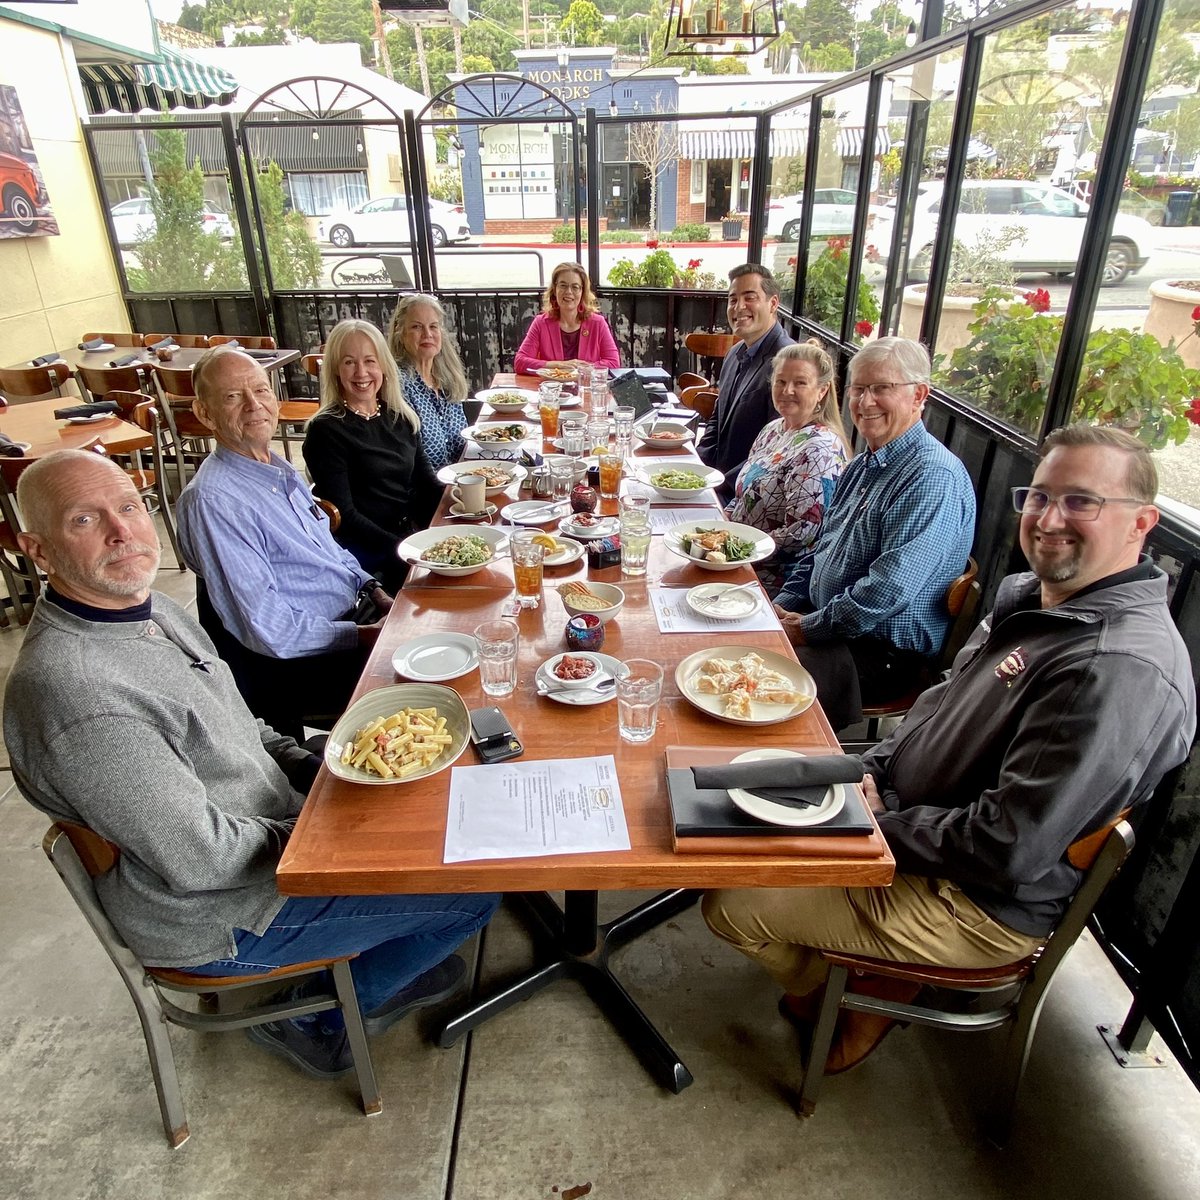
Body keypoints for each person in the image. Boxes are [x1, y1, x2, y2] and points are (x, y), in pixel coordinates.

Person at [705, 424, 1195, 1074]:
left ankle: (853, 990)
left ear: (1142, 523)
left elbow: (1007, 847)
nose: (1049, 518)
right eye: (1039, 496)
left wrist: (872, 823)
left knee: (732, 902)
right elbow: (933, 712)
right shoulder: (1039, 603)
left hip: (975, 902)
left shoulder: (1116, 668)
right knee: (713, 797)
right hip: (911, 816)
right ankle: (849, 957)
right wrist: (870, 771)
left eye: (1081, 501)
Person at [4, 450, 500, 1079]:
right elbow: (201, 858)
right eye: (84, 520)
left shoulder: (150, 611)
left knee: (444, 809)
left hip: (269, 840)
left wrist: (323, 767)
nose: (121, 531)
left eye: (129, 507)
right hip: (226, 913)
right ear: (37, 550)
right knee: (473, 886)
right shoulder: (79, 693)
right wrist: (334, 835)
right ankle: (309, 1020)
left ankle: (355, 952)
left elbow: (246, 730)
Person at [177, 346, 391, 736]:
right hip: (305, 659)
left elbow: (326, 549)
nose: (253, 405)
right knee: (437, 678)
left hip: (352, 617)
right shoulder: (213, 500)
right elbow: (268, 628)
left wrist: (374, 589)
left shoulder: (275, 469)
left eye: (260, 390)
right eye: (232, 396)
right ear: (204, 413)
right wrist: (363, 637)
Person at [774, 337, 975, 730]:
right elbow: (819, 550)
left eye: (881, 388)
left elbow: (885, 592)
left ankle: (770, 774)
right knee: (734, 641)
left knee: (749, 680)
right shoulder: (864, 463)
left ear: (919, 395)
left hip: (880, 654)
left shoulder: (932, 477)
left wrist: (805, 629)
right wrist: (778, 607)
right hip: (830, 625)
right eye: (859, 388)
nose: (865, 402)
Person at [305, 319, 439, 593]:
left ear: (383, 366)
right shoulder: (326, 430)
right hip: (370, 549)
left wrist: (468, 503)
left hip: (408, 536)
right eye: (349, 362)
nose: (361, 372)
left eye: (370, 361)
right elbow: (347, 517)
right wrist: (408, 548)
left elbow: (426, 483)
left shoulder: (400, 416)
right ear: (335, 370)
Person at [726, 340, 849, 596]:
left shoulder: (819, 448)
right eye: (780, 381)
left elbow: (802, 533)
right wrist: (718, 524)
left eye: (800, 383)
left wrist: (733, 546)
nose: (787, 390)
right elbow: (741, 497)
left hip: (770, 578)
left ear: (822, 390)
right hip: (735, 555)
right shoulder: (773, 429)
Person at [696, 264, 794, 502]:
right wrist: (694, 468)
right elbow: (716, 422)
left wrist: (717, 486)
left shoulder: (787, 362)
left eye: (749, 298)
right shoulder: (735, 353)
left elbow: (776, 448)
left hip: (745, 495)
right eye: (732, 299)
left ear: (773, 304)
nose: (739, 307)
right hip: (715, 484)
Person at [386, 293, 470, 471]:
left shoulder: (447, 377)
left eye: (433, 326)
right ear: (400, 333)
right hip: (429, 492)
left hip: (462, 479)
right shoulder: (399, 385)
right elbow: (409, 462)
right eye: (417, 327)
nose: (427, 334)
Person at [513, 262, 620, 375]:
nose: (568, 292)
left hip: (586, 389)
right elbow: (520, 363)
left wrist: (582, 369)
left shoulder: (597, 323)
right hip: (552, 389)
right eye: (563, 285)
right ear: (554, 289)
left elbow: (613, 362)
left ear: (582, 292)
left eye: (575, 287)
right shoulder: (541, 323)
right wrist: (558, 365)